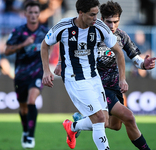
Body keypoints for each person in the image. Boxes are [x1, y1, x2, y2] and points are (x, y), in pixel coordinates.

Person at [55, 1, 156, 150]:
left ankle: (75, 125)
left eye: (115, 22)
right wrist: (60, 61)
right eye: (108, 21)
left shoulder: (121, 36)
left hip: (114, 86)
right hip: (97, 85)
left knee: (114, 125)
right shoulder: (93, 32)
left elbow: (133, 56)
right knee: (129, 117)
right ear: (102, 19)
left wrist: (143, 64)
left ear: (119, 20)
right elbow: (70, 45)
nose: (112, 26)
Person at [40, 0, 128, 149]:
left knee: (105, 120)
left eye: (96, 14)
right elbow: (45, 44)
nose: (95, 18)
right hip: (74, 78)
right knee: (99, 118)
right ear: (81, 13)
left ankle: (72, 127)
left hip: (94, 77)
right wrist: (47, 70)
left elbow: (119, 52)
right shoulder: (64, 26)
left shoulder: (99, 27)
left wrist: (123, 79)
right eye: (92, 15)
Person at [5, 1, 49, 148]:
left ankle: (30, 136)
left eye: (36, 12)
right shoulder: (18, 31)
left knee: (31, 100)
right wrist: (23, 45)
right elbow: (7, 51)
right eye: (30, 12)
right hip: (20, 75)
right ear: (25, 14)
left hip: (37, 73)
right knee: (23, 107)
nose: (33, 15)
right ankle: (25, 130)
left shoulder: (44, 32)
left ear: (39, 14)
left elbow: (57, 46)